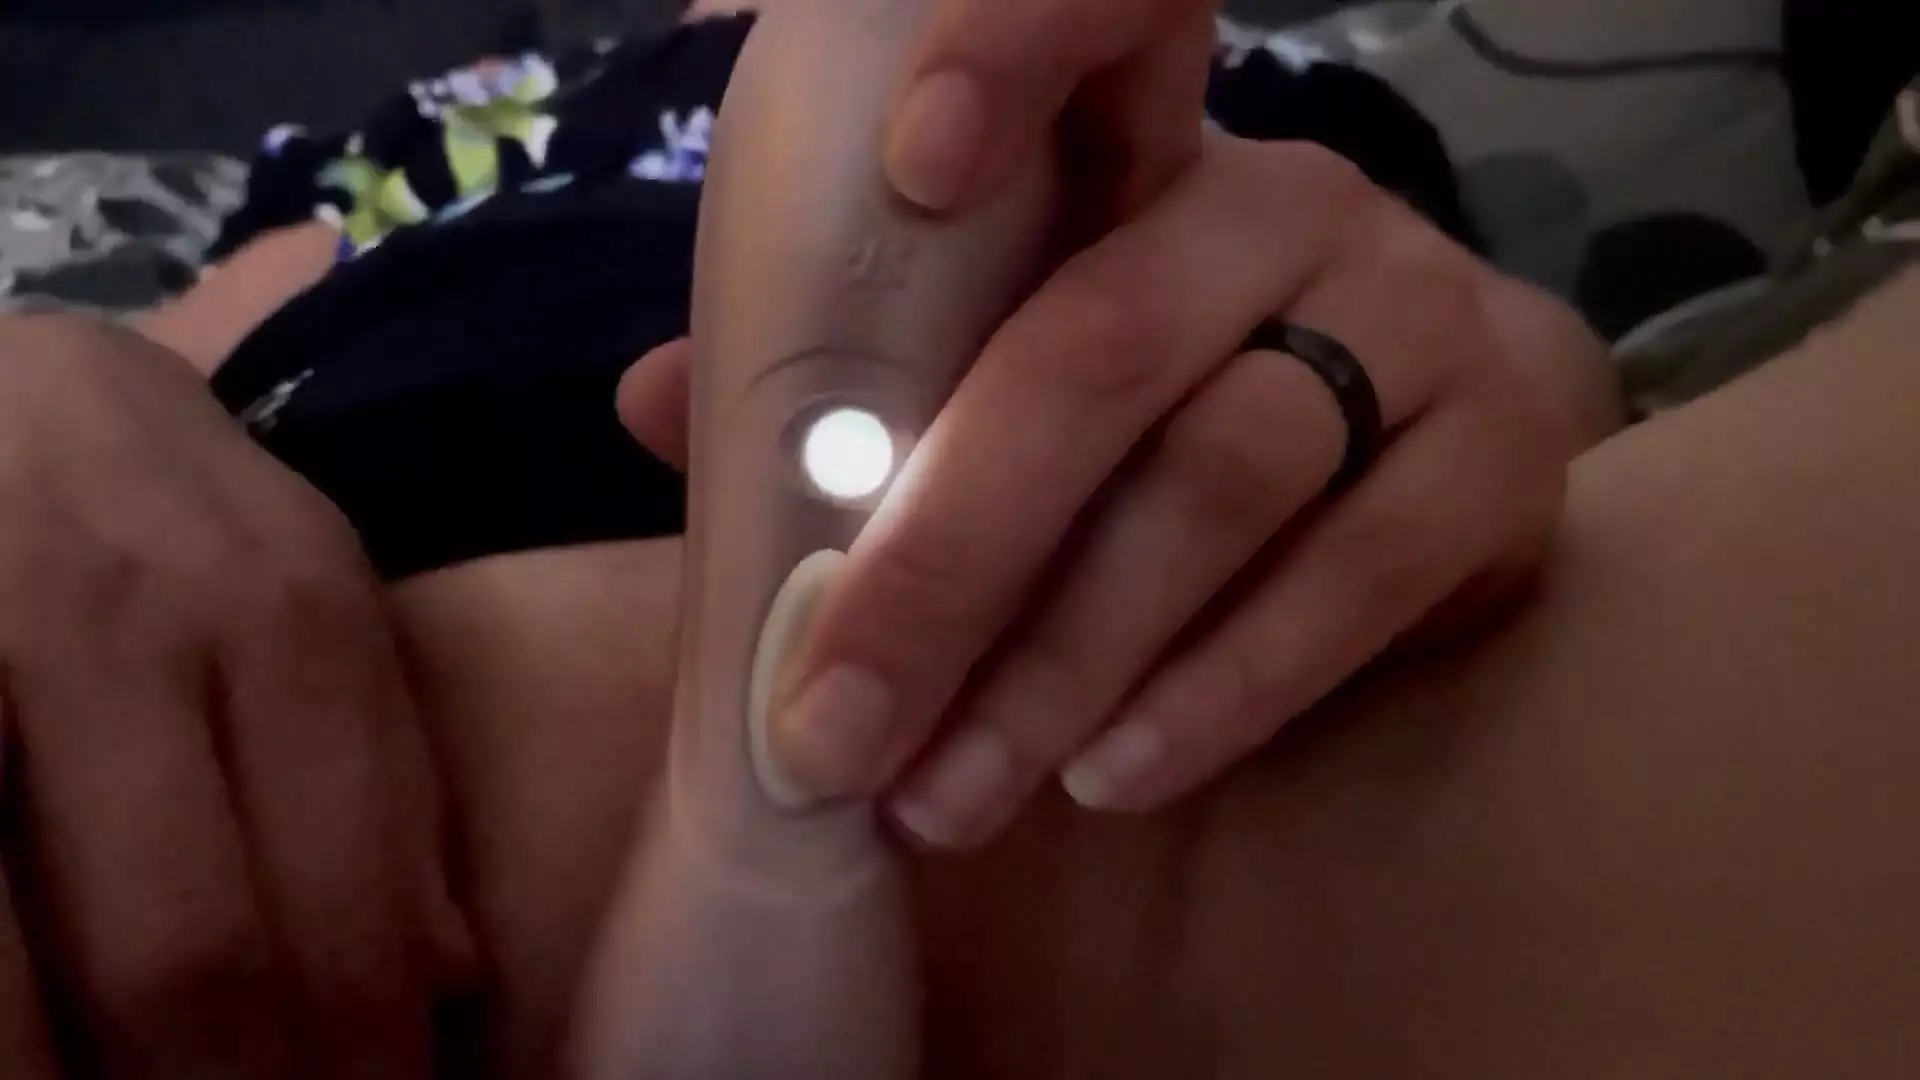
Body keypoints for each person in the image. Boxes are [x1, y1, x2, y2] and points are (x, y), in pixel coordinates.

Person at [0, 3, 1912, 1080]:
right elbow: (154, 355)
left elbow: (1504, 383)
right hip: (242, 761)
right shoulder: (427, 136)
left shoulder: (1215, 91)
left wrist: (1476, 398)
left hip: (1098, 702)